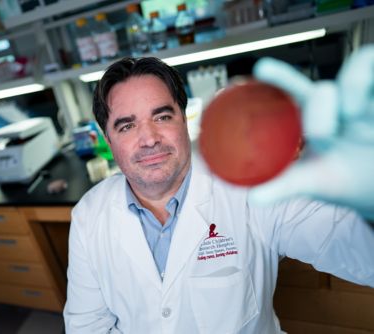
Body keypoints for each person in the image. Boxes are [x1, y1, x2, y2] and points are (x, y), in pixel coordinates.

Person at [64, 47, 374, 333]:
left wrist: (368, 204)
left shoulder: (248, 188)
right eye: (127, 125)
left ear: (184, 120)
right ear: (107, 139)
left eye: (162, 116)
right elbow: (87, 325)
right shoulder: (89, 215)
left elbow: (359, 254)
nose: (149, 138)